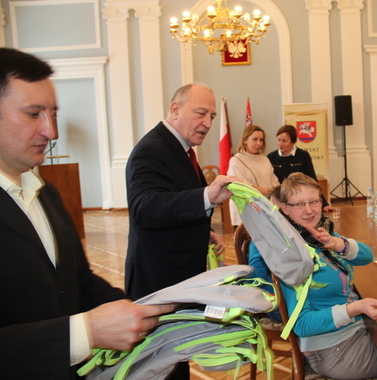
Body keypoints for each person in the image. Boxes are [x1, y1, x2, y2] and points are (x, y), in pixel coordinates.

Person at [0, 47, 174, 379]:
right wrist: (84, 332)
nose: (51, 132)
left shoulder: (45, 193)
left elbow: (77, 282)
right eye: (34, 114)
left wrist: (146, 313)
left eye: (53, 113)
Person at [248, 173, 377, 379]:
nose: (309, 210)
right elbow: (302, 325)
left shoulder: (314, 235)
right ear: (284, 209)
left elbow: (367, 256)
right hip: (333, 350)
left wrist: (338, 244)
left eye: (314, 201)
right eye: (299, 204)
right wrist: (355, 308)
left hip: (353, 331)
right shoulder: (291, 256)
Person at [126, 84, 237, 300]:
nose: (208, 123)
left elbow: (172, 200)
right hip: (160, 280)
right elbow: (144, 208)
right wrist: (206, 197)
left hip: (179, 275)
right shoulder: (151, 149)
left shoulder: (180, 150)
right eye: (200, 113)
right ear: (175, 109)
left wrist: (200, 233)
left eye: (212, 116)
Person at [267, 124, 332, 210]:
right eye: (279, 140)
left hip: (299, 201)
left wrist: (325, 204)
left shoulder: (303, 155)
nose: (280, 143)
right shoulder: (271, 157)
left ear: (293, 142)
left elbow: (312, 181)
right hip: (279, 202)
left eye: (284, 141)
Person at [227, 125, 279, 226]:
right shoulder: (236, 161)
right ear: (245, 140)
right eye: (255, 139)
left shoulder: (265, 160)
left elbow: (274, 182)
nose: (259, 143)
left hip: (266, 209)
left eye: (261, 140)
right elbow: (244, 187)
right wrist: (270, 191)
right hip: (246, 210)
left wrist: (276, 191)